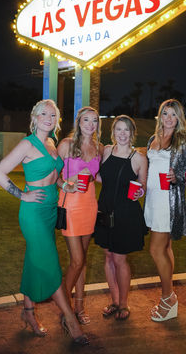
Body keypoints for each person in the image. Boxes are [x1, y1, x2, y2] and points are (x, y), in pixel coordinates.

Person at [0, 99, 88, 346]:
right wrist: (22, 194)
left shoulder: (52, 144)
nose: (48, 118)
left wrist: (64, 184)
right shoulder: (27, 144)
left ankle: (28, 312)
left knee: (34, 261)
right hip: (32, 212)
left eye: (53, 115)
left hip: (49, 211)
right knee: (50, 263)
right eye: (43, 114)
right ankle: (70, 320)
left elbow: (53, 176)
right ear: (34, 118)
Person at [144, 99, 186, 322]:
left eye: (173, 115)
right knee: (166, 249)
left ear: (179, 118)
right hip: (152, 200)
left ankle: (168, 298)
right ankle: (169, 297)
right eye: (165, 113)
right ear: (160, 116)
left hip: (168, 201)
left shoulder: (185, 141)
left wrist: (178, 177)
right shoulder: (152, 139)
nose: (168, 118)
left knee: (156, 250)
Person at [94, 115, 148, 320]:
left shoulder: (139, 158)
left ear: (132, 133)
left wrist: (139, 192)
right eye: (118, 129)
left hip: (126, 214)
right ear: (113, 132)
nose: (122, 134)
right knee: (108, 257)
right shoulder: (106, 151)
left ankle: (124, 304)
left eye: (126, 130)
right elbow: (101, 177)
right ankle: (114, 300)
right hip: (105, 210)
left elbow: (142, 185)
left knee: (119, 259)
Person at [57, 106, 103, 325]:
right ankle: (64, 305)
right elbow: (53, 175)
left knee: (82, 259)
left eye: (94, 121)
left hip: (89, 205)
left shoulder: (99, 147)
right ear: (78, 122)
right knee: (77, 260)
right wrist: (65, 184)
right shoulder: (66, 145)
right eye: (86, 120)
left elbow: (99, 176)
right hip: (70, 205)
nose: (90, 125)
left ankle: (79, 306)